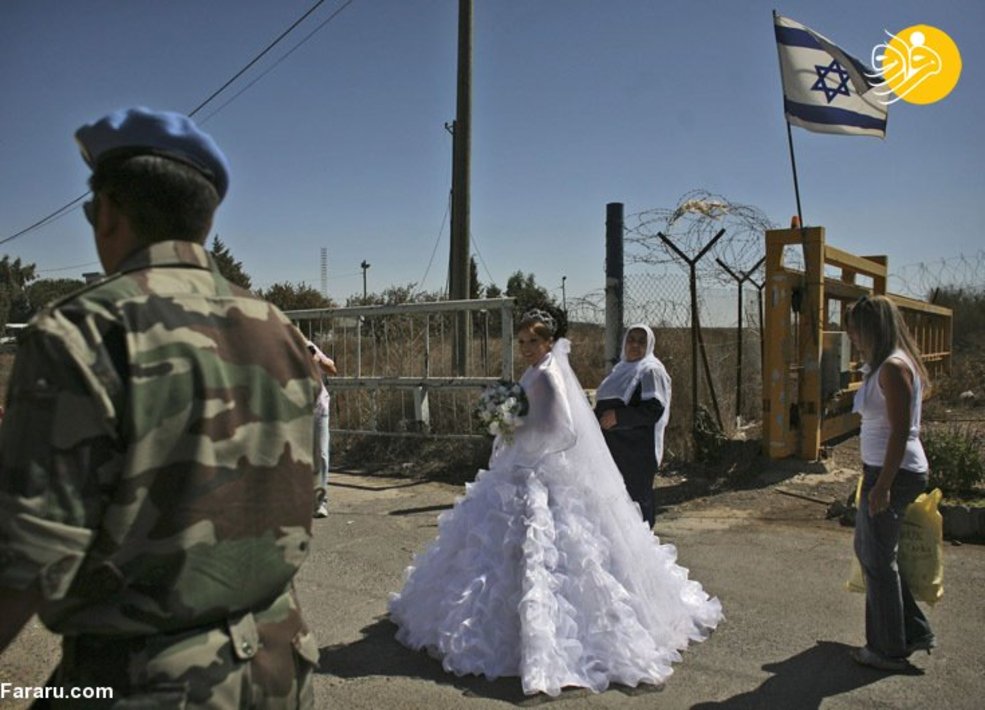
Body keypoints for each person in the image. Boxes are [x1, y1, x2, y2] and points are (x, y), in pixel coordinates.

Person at [0, 107, 321, 707]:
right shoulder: (277, 327)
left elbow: (27, 555)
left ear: (109, 213)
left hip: (147, 682)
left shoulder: (84, 330)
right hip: (282, 664)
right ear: (204, 221)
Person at [388, 309, 722, 697]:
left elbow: (562, 428)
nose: (527, 348)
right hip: (523, 464)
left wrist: (516, 426)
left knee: (549, 552)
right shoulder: (537, 370)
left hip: (542, 468)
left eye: (534, 341)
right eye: (522, 342)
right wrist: (508, 421)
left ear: (549, 342)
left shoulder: (548, 373)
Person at [846, 294, 935, 672]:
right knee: (873, 555)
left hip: (892, 474)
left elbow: (900, 431)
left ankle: (887, 649)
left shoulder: (892, 368)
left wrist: (882, 485)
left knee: (878, 560)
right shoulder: (884, 365)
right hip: (884, 471)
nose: (852, 338)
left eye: (855, 331)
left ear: (872, 328)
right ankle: (911, 632)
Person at [594, 324, 671, 528]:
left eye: (641, 341)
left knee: (637, 505)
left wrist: (619, 416)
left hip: (637, 452)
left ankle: (643, 555)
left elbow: (654, 409)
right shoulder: (620, 370)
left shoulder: (650, 370)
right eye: (631, 340)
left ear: (649, 345)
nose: (635, 345)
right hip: (615, 449)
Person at [307, 338, 337, 519]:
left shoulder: (309, 349)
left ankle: (320, 502)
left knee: (321, 455)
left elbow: (332, 369)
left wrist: (319, 360)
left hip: (318, 409)